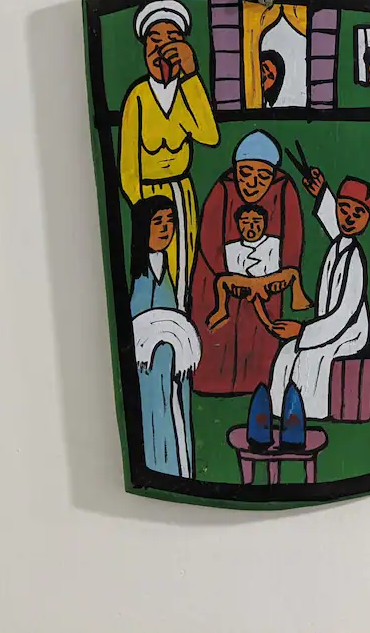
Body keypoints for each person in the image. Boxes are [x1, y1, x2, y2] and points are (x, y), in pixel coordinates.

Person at [119, 0, 220, 314]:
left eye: (172, 39)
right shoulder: (138, 96)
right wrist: (143, 212)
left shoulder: (187, 91)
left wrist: (191, 75)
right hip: (149, 200)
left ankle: (182, 325)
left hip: (181, 196)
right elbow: (128, 168)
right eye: (155, 40)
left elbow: (209, 135)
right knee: (151, 269)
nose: (163, 48)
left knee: (183, 267)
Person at [190, 131, 305, 395]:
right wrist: (233, 278)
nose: (252, 183)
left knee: (259, 336)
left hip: (267, 281)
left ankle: (257, 384)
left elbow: (293, 237)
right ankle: (212, 385)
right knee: (219, 333)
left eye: (263, 176)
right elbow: (209, 238)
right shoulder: (223, 188)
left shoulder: (284, 188)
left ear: (273, 175)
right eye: (245, 174)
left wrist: (277, 277)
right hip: (220, 279)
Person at [268, 168, 370, 419]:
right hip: (325, 328)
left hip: (348, 333)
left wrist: (302, 331)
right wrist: (321, 192)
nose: (349, 218)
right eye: (344, 209)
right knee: (287, 353)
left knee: (312, 358)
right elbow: (333, 222)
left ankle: (308, 414)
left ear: (367, 219)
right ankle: (278, 412)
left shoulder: (355, 258)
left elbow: (344, 315)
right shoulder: (338, 244)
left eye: (358, 213)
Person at [129, 196, 201, 478]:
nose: (165, 228)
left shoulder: (165, 267)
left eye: (170, 221)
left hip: (171, 366)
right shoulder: (140, 274)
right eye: (157, 221)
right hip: (150, 369)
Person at [206, 203, 312, 331]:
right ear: (238, 224)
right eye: (245, 222)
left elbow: (274, 268)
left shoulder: (274, 243)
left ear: (264, 223)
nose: (251, 226)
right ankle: (221, 310)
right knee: (222, 281)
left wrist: (264, 283)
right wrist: (248, 284)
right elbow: (234, 273)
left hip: (268, 281)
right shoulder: (231, 248)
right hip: (244, 283)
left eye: (256, 221)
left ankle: (299, 302)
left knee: (292, 273)